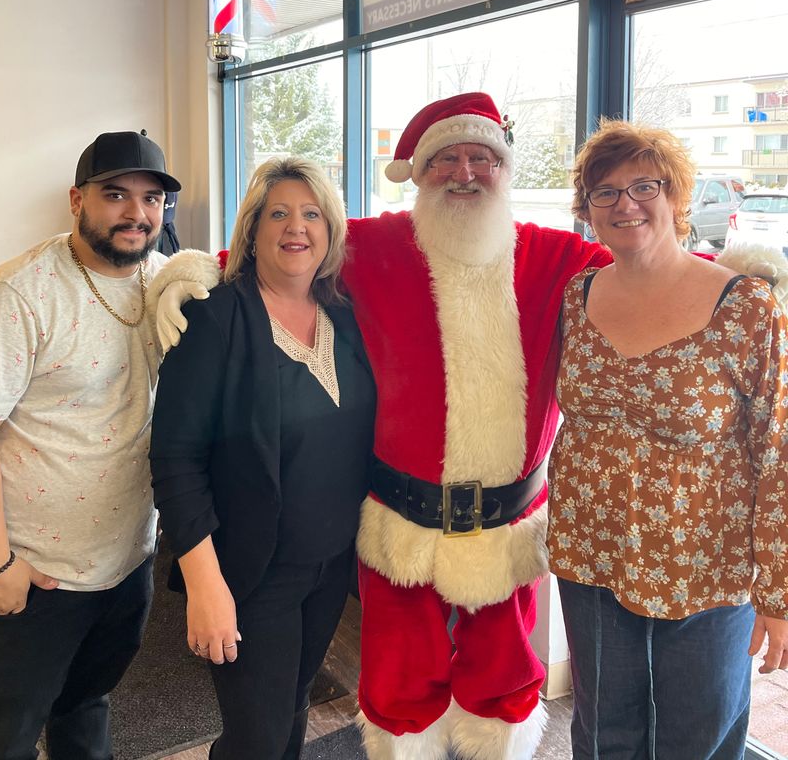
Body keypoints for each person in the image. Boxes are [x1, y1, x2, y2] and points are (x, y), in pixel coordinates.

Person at [155, 93, 619, 759]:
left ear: (505, 168)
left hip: (506, 530)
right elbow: (282, 250)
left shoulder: (554, 256)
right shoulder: (374, 247)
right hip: (394, 525)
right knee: (398, 693)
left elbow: (643, 276)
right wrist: (189, 270)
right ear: (419, 174)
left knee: (504, 690)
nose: (464, 172)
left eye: (482, 157)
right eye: (446, 159)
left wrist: (735, 286)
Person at [0, 130, 181, 760]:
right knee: (6, 731)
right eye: (115, 195)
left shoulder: (160, 281)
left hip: (126, 559)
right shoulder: (16, 295)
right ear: (77, 200)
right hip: (34, 569)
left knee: (86, 705)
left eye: (152, 198)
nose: (136, 213)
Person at [548, 119, 788, 760]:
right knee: (603, 735)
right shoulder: (578, 295)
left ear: (678, 197)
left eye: (644, 185)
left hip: (705, 567)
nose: (625, 204)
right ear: (588, 210)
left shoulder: (747, 307)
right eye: (605, 192)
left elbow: (779, 452)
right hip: (593, 556)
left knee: (698, 739)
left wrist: (778, 593)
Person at [149, 157, 376, 760]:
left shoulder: (345, 315)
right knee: (257, 737)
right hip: (252, 573)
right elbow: (175, 459)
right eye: (278, 213)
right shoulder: (215, 318)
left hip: (330, 570)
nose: (295, 227)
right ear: (252, 230)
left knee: (293, 708)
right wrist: (205, 586)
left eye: (311, 214)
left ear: (330, 231)